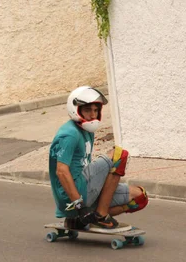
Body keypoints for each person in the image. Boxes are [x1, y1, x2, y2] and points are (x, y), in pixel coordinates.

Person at [49, 86, 148, 230]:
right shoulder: (69, 134)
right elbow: (61, 171)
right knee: (119, 155)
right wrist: (79, 205)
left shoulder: (87, 130)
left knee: (140, 198)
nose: (93, 115)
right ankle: (100, 216)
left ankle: (82, 219)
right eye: (88, 110)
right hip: (73, 198)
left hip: (86, 190)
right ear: (76, 109)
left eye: (96, 110)